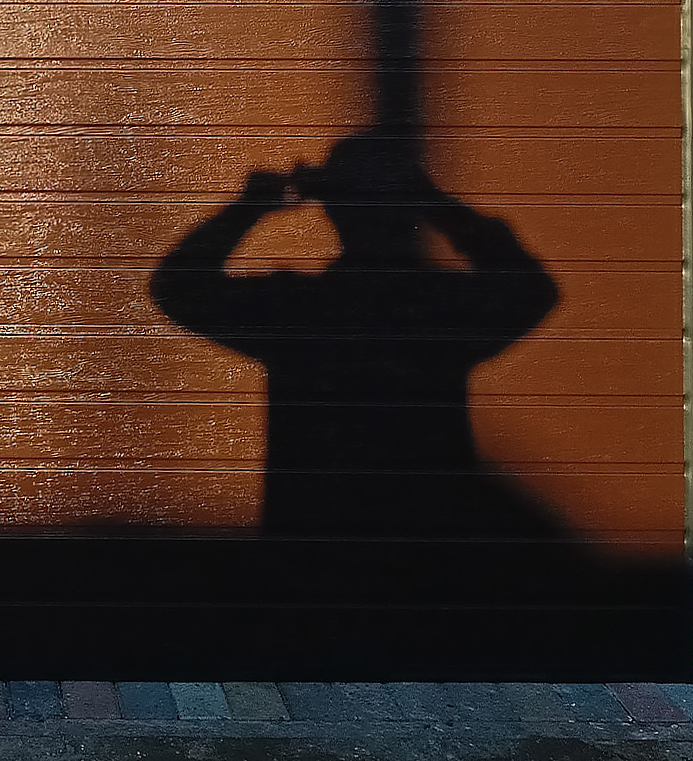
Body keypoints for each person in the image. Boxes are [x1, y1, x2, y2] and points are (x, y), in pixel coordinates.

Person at [150, 129, 563, 541]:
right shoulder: (439, 312)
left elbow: (179, 286)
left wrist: (248, 208)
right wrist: (434, 202)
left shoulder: (300, 314)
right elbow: (530, 290)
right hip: (427, 550)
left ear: (332, 209)